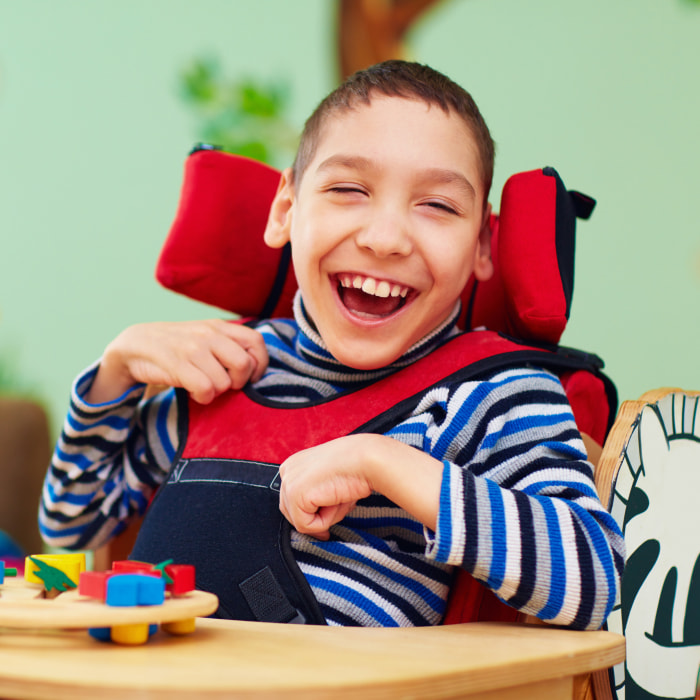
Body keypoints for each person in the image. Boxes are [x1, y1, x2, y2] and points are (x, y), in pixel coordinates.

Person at [40, 60, 624, 630]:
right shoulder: (226, 368)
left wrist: (387, 464)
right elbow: (71, 529)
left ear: (482, 247)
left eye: (438, 205)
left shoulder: (491, 392)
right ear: (286, 210)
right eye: (349, 189)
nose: (385, 238)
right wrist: (113, 373)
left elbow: (600, 580)